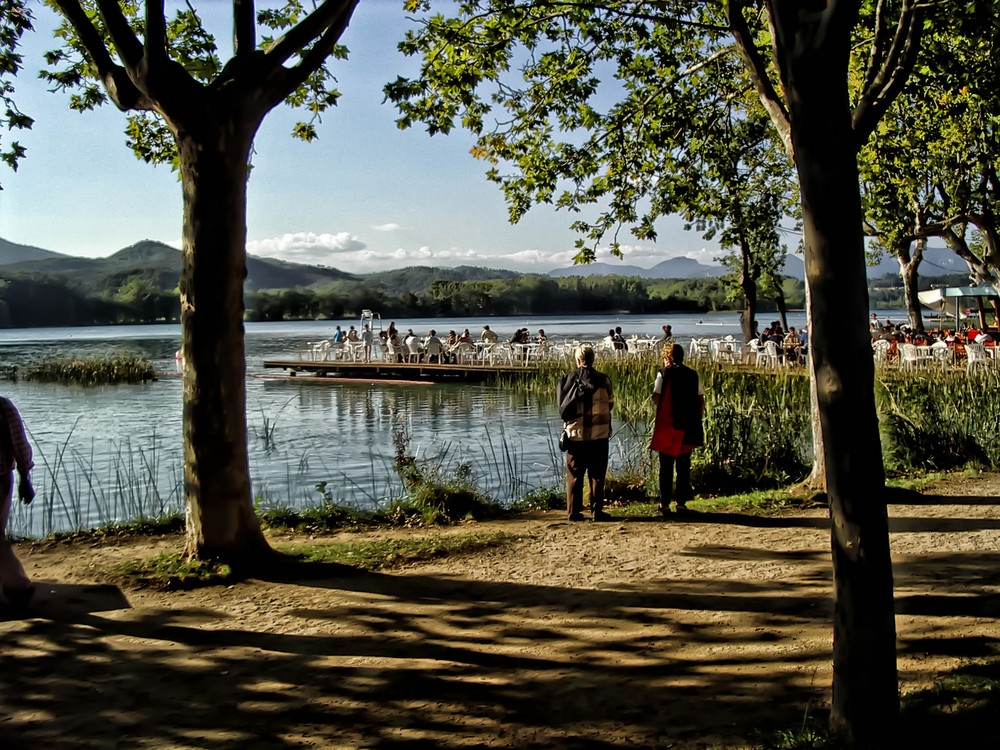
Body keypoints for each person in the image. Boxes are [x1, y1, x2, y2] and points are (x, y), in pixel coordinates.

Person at [557, 344, 615, 521]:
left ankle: (573, 511)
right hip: (599, 433)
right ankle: (597, 511)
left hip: (576, 435)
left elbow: (562, 408)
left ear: (578, 360)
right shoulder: (604, 380)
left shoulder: (568, 379)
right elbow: (610, 404)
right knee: (597, 473)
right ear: (593, 359)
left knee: (575, 473)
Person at [650, 344, 704, 516]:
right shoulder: (693, 374)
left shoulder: (663, 374)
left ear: (667, 358)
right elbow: (700, 400)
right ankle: (681, 504)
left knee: (665, 467)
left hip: (669, 425)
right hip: (687, 425)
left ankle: (664, 504)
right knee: (683, 466)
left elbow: (656, 397)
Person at [0, 397, 35, 608]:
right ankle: (16, 585)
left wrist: (25, 479)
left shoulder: (3, 408)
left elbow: (19, 445)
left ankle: (18, 585)